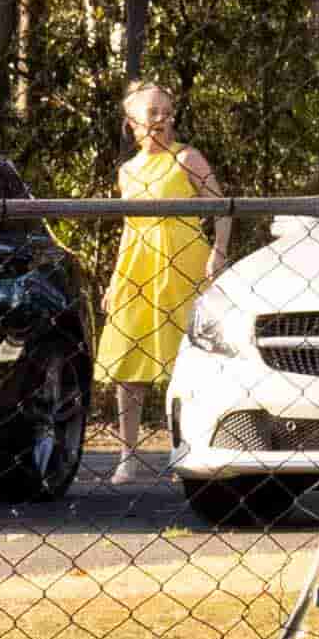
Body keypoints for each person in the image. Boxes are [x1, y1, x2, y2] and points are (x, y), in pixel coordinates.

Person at [101, 79, 213, 456]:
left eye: (166, 111)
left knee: (187, 360)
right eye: (152, 112)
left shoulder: (187, 158)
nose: (161, 118)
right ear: (130, 121)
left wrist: (220, 252)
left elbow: (221, 205)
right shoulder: (127, 171)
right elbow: (127, 229)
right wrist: (115, 281)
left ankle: (189, 447)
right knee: (129, 366)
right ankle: (127, 453)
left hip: (184, 263)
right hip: (138, 268)